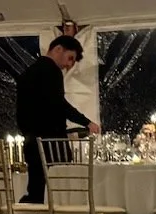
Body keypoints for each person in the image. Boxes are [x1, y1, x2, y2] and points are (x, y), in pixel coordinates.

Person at [15, 35, 100, 204]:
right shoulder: (51, 71)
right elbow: (59, 104)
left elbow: (21, 112)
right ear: (58, 49)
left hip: (32, 143)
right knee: (62, 195)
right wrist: (87, 122)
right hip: (51, 145)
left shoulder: (27, 73)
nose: (69, 65)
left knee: (36, 194)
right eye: (70, 58)